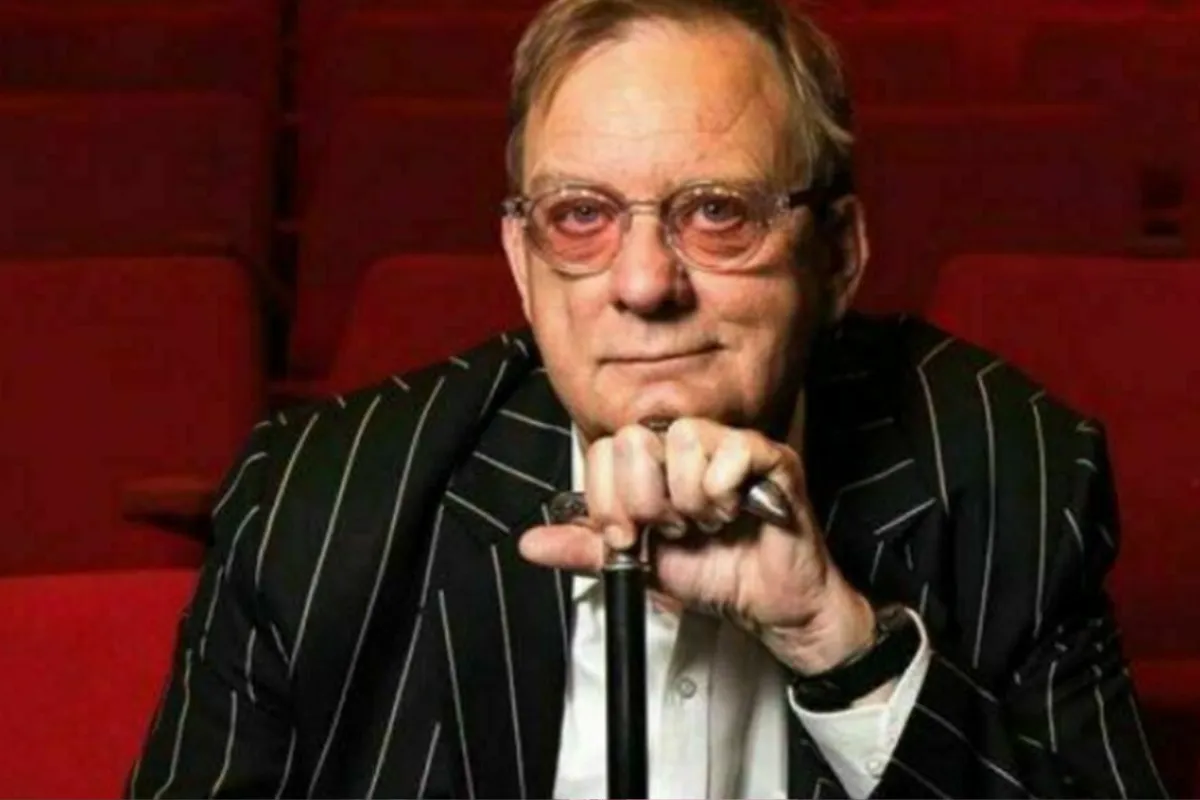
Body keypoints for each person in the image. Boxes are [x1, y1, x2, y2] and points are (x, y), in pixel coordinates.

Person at [127, 0, 1169, 797]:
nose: (643, 283)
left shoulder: (1011, 469)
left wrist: (838, 642)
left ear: (840, 254)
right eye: (579, 216)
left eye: (718, 212)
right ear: (522, 263)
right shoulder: (316, 507)